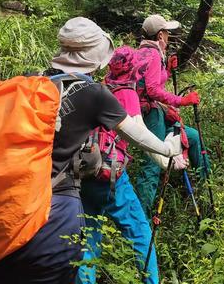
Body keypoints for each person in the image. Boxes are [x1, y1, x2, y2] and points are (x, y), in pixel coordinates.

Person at [0, 17, 182, 284]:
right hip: (55, 211)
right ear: (96, 57)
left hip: (7, 206)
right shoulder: (93, 93)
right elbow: (137, 134)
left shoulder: (31, 81)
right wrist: (168, 149)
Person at [77, 46, 188, 284]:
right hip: (110, 175)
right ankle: (152, 281)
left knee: (89, 237)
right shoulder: (127, 95)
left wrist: (166, 71)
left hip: (84, 170)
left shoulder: (101, 87)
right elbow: (140, 137)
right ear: (133, 70)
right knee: (140, 232)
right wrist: (170, 157)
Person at [135, 14, 211, 216]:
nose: (169, 36)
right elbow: (152, 90)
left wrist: (167, 70)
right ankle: (141, 218)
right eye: (167, 32)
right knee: (153, 162)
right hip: (150, 113)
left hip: (151, 111)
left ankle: (204, 186)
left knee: (192, 137)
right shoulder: (152, 55)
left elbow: (152, 83)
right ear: (160, 35)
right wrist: (182, 101)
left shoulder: (144, 52)